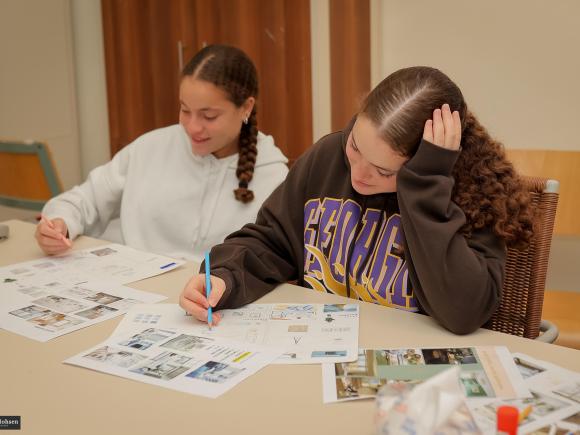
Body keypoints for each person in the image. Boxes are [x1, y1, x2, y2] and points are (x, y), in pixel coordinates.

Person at [179, 66, 534, 334]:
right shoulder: (329, 155)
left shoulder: (466, 191)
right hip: (319, 348)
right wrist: (225, 277)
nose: (358, 175)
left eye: (384, 171)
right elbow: (271, 240)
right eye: (355, 147)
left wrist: (425, 190)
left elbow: (464, 312)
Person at [34, 45, 289, 262]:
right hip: (134, 289)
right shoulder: (150, 148)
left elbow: (278, 259)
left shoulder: (274, 176)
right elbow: (85, 199)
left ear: (246, 107)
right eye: (185, 110)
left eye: (209, 116)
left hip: (216, 304)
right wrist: (60, 224)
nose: (192, 127)